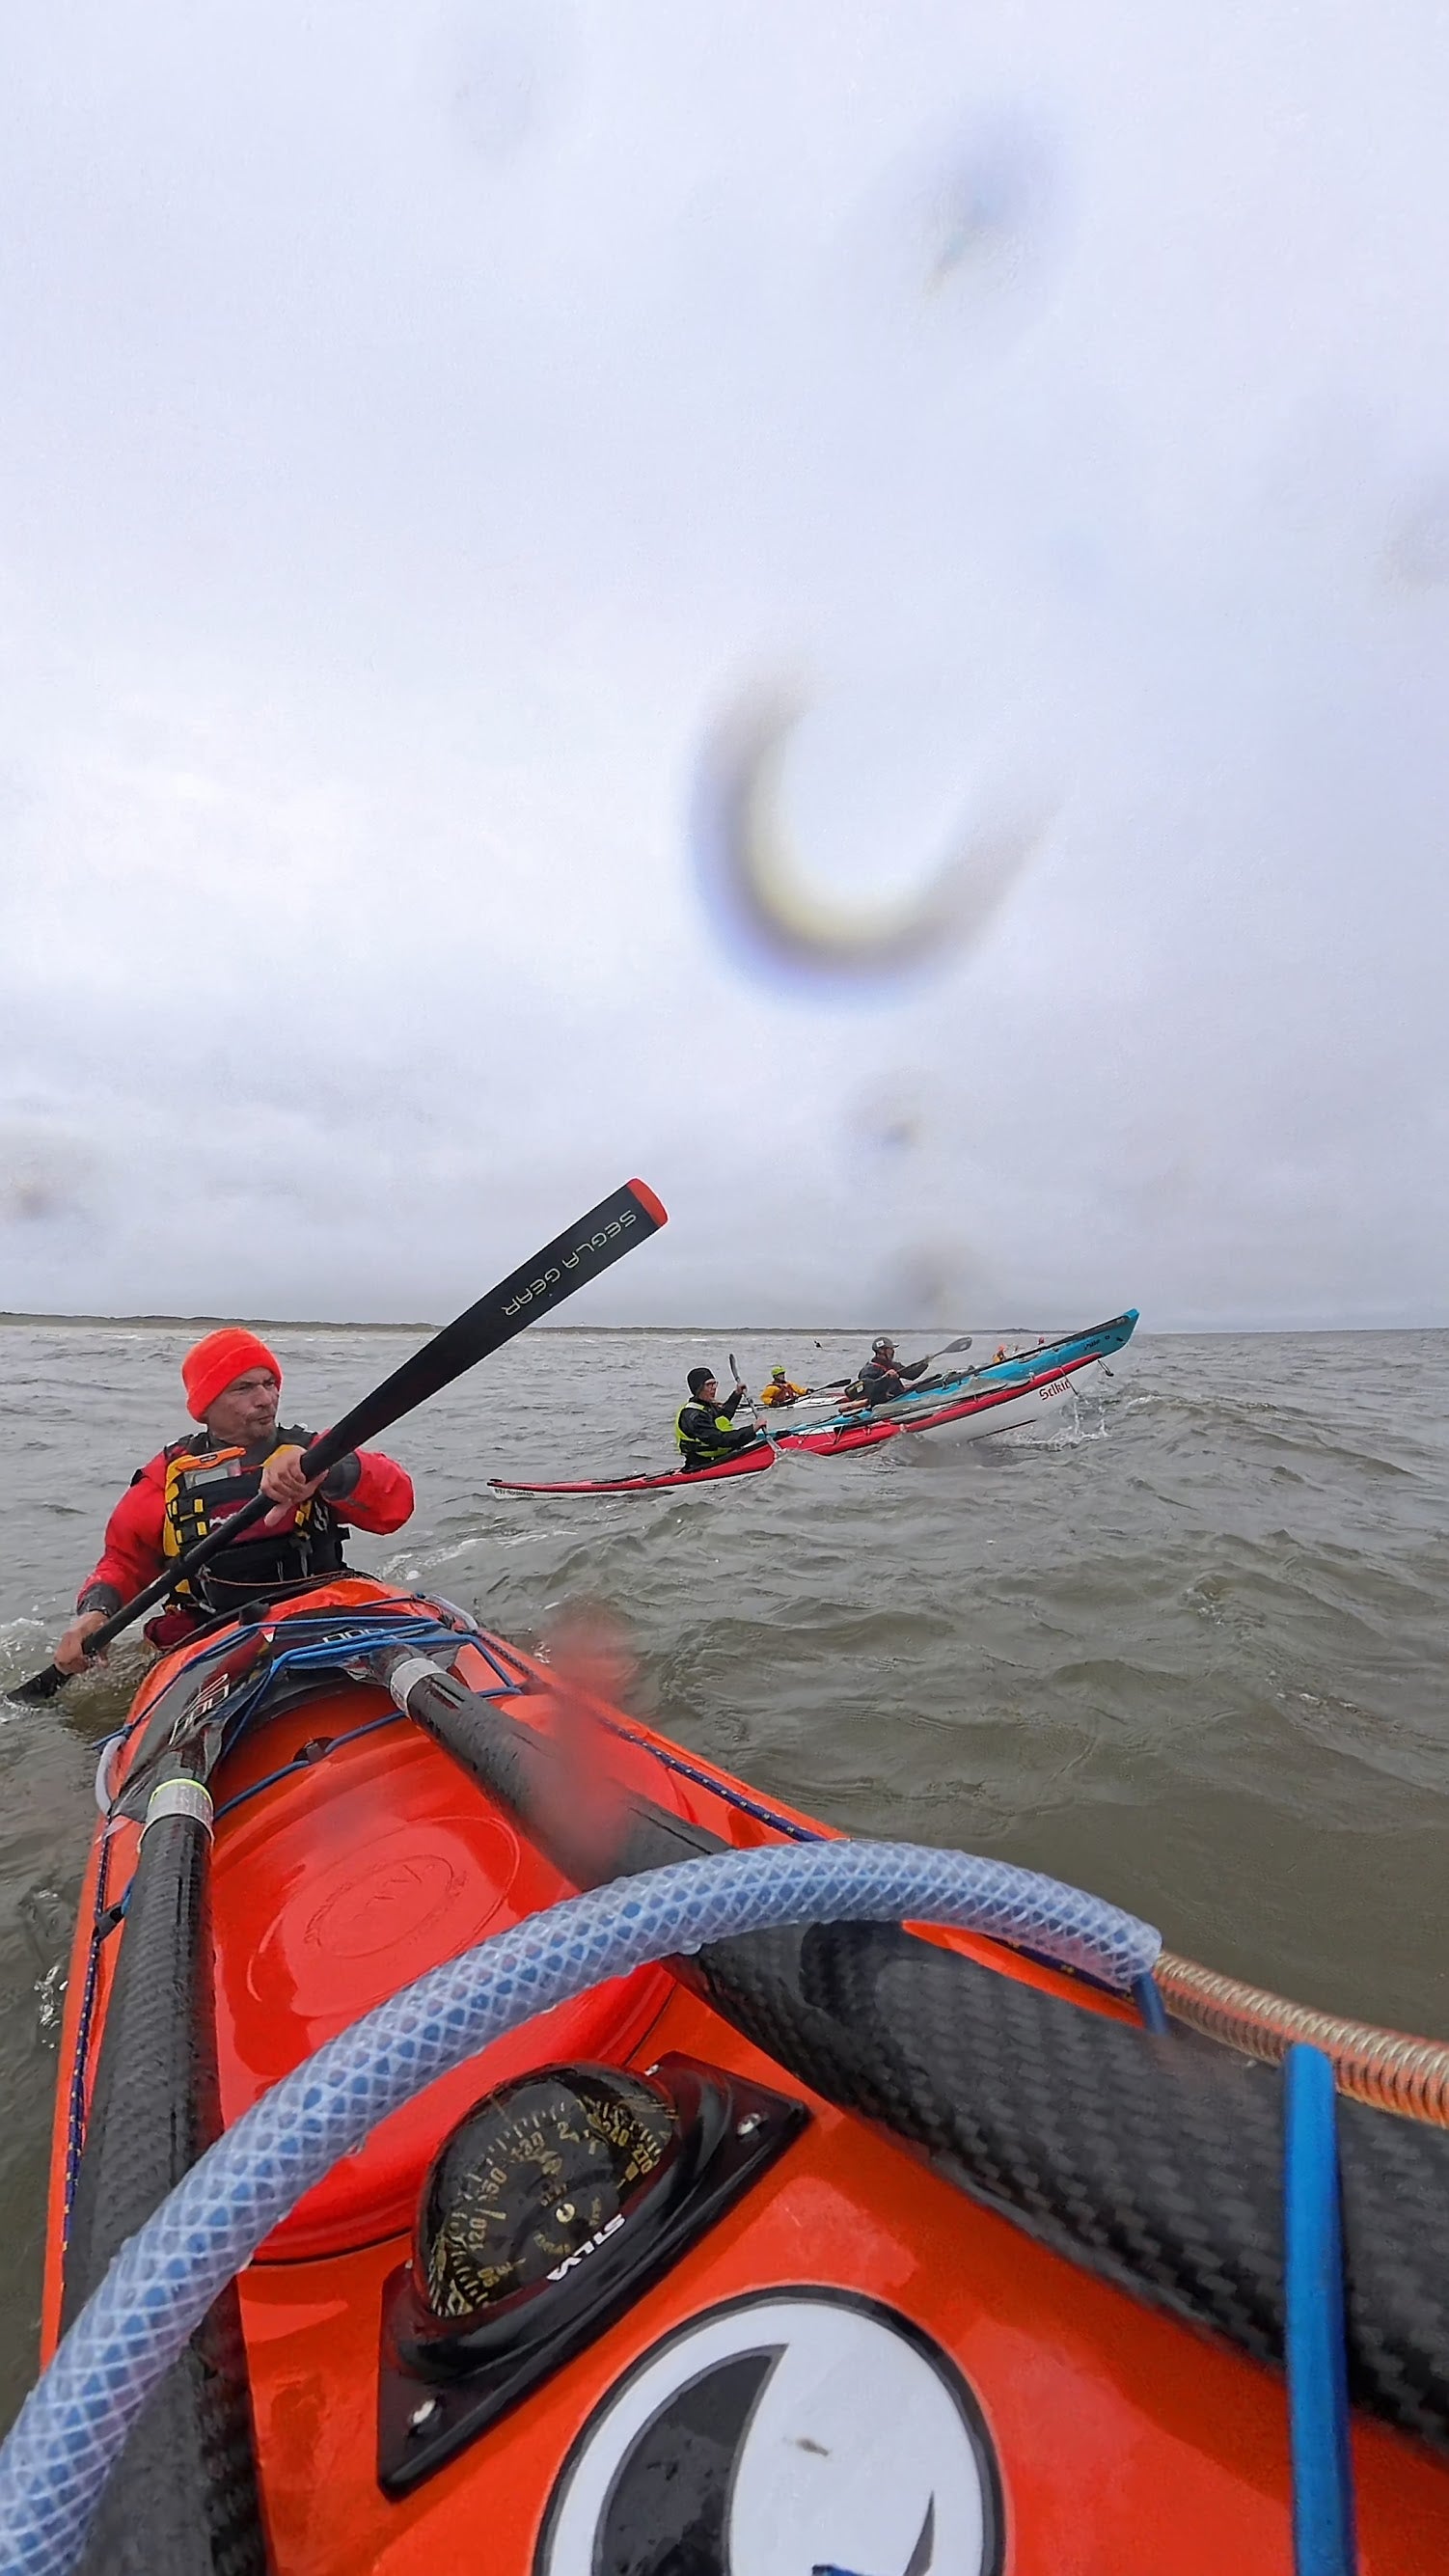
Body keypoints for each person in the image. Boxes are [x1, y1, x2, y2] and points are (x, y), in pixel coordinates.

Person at [52, 1326, 415, 1672]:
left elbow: (396, 1505)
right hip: (209, 1632)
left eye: (270, 1384)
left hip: (313, 1613)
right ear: (206, 1405)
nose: (265, 1399)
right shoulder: (167, 1477)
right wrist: (95, 1612)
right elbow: (124, 1562)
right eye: (244, 1388)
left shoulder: (314, 1452)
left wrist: (326, 1471)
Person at [675, 1366, 764, 1471]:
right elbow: (720, 1440)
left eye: (714, 1383)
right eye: (709, 1384)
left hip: (720, 1458)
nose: (713, 1388)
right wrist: (753, 1429)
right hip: (703, 1464)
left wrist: (737, 1394)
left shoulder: (707, 1406)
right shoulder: (694, 1415)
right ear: (698, 1388)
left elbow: (723, 1417)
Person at [856, 1335, 932, 1406]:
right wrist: (885, 1377)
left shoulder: (893, 1365)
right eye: (890, 1349)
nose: (893, 1351)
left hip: (899, 1398)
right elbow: (868, 1390)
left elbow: (911, 1374)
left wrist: (925, 1364)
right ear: (881, 1351)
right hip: (883, 1405)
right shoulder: (869, 1370)